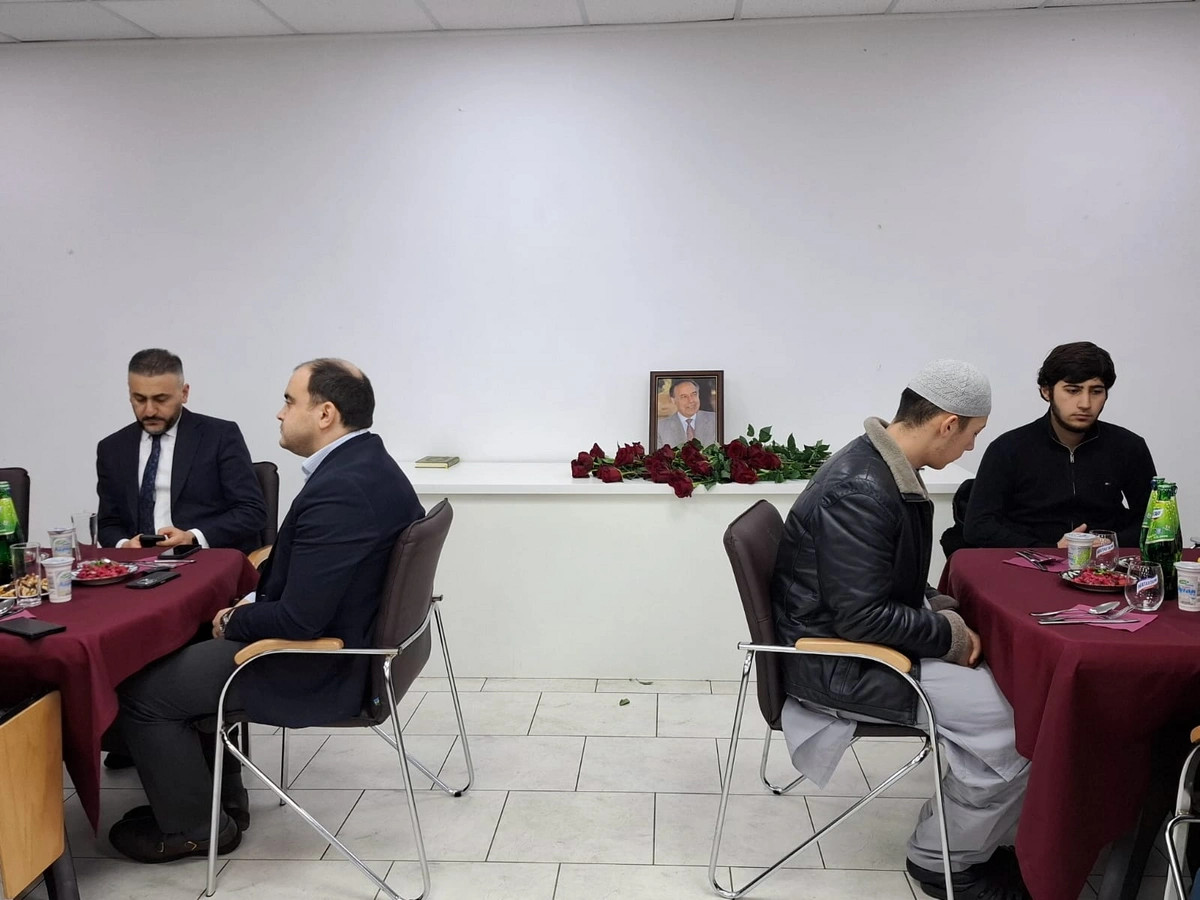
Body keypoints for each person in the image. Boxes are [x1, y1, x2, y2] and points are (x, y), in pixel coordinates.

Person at [108, 359, 425, 863]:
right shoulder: (367, 464)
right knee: (179, 650)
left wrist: (233, 619)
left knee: (142, 693)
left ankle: (195, 829)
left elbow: (299, 620)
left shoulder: (341, 491)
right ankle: (222, 798)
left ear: (325, 413)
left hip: (318, 664)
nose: (279, 413)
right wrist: (248, 603)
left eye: (289, 401)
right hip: (349, 647)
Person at [772, 359, 1030, 900]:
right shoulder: (862, 489)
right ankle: (943, 861)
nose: (971, 447)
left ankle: (972, 836)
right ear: (947, 423)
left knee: (1015, 695)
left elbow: (883, 582)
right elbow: (861, 617)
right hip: (841, 662)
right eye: (973, 434)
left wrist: (939, 608)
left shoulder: (880, 468)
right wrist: (951, 636)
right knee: (1018, 725)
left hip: (856, 646)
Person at [962, 342, 1156, 550]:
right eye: (1073, 390)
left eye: (1096, 391)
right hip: (1030, 561)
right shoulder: (1008, 449)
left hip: (1104, 562)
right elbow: (978, 526)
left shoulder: (1128, 447)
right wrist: (1049, 548)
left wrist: (1110, 544)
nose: (1085, 403)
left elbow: (1157, 525)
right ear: (1046, 391)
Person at [96, 348, 267, 553]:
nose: (149, 411)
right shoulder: (112, 448)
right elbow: (108, 523)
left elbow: (252, 511)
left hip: (203, 557)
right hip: (138, 563)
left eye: (161, 399)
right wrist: (124, 545)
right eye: (140, 399)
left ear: (184, 393)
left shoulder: (219, 436)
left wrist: (193, 537)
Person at [655, 379, 718, 446]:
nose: (691, 400)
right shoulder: (660, 428)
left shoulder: (716, 420)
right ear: (673, 400)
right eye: (684, 397)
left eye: (694, 394)